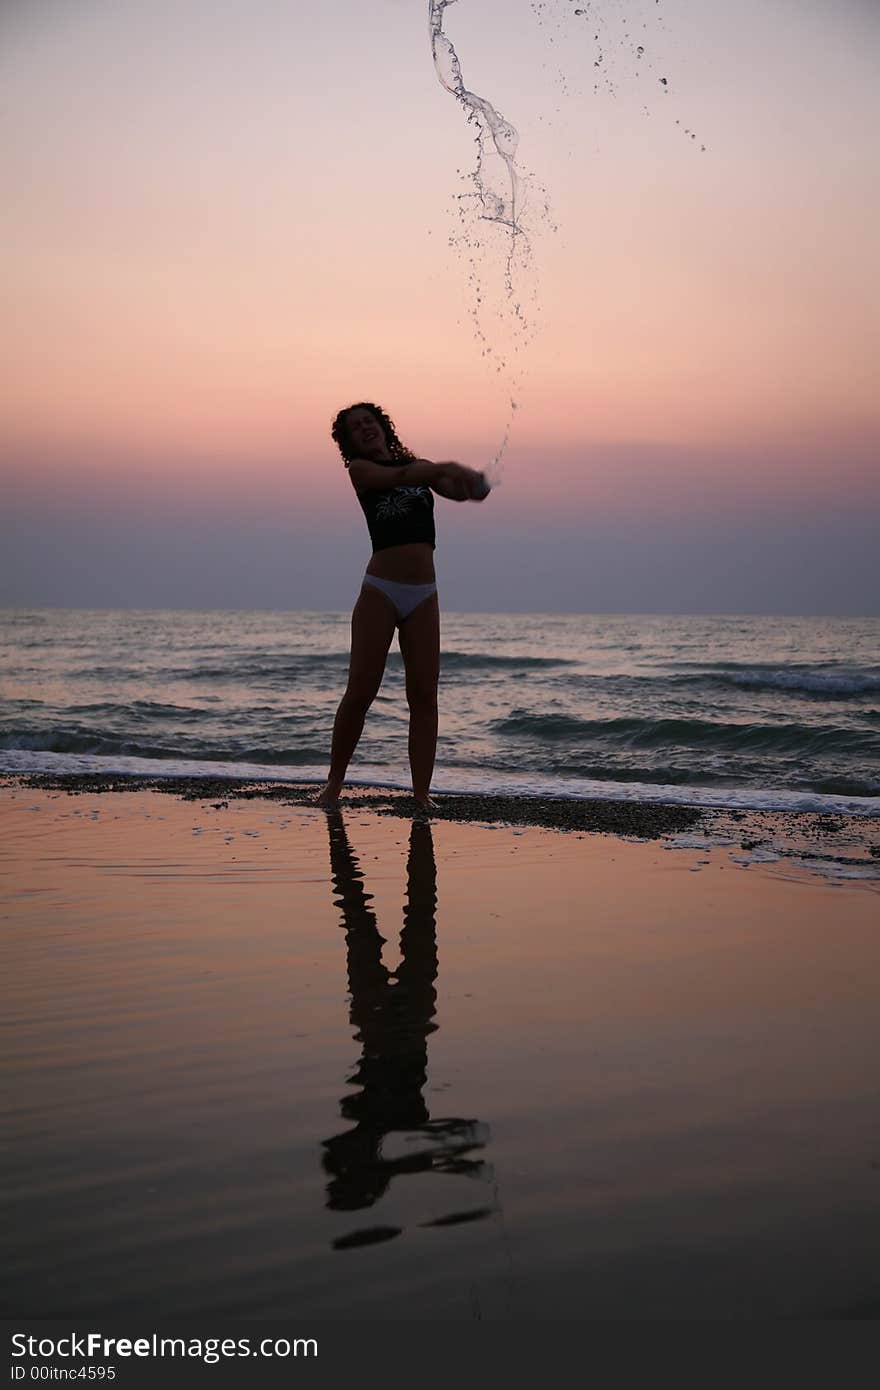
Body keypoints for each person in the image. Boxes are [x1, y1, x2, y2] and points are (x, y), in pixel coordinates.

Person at [316, 402, 489, 811]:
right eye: (355, 428)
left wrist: (475, 486)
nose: (364, 430)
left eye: (368, 422)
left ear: (382, 425)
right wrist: (447, 465)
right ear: (349, 441)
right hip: (380, 590)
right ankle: (333, 784)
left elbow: (453, 490)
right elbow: (410, 475)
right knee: (360, 692)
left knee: (424, 698)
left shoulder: (422, 468)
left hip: (424, 595)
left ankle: (421, 794)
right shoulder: (361, 472)